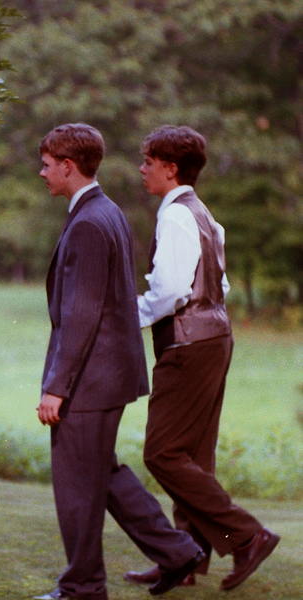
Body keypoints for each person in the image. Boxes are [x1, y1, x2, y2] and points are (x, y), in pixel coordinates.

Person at [34, 123, 203, 600]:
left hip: (91, 379)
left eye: (46, 165)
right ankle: (178, 552)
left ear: (68, 166)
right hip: (108, 374)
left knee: (76, 484)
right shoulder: (105, 211)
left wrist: (56, 387)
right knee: (101, 475)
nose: (41, 173)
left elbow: (82, 314)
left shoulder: (89, 222)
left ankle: (83, 587)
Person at [124, 125, 280, 592]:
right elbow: (219, 284)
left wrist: (129, 316)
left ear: (170, 169)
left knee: (163, 453)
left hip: (189, 345)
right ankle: (186, 557)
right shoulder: (204, 216)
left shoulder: (175, 216)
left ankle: (246, 536)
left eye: (148, 162)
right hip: (214, 339)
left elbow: (172, 289)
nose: (142, 169)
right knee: (193, 455)